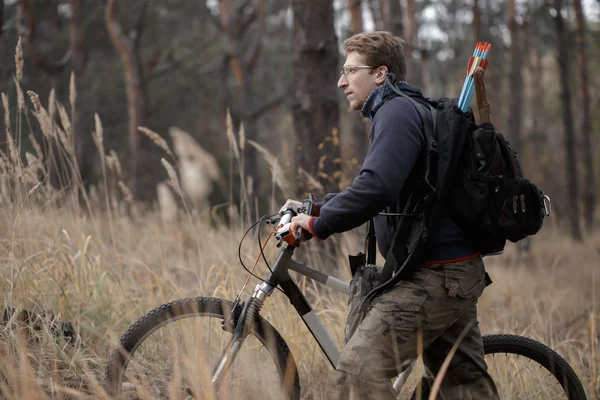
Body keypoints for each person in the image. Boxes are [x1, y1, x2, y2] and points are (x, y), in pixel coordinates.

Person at [283, 31, 499, 399]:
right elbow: (389, 191)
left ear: (380, 73)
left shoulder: (395, 112)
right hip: (451, 271)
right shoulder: (407, 108)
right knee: (461, 386)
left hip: (436, 275)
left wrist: (319, 225)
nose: (341, 81)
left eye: (350, 71)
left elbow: (377, 188)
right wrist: (315, 208)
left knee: (359, 373)